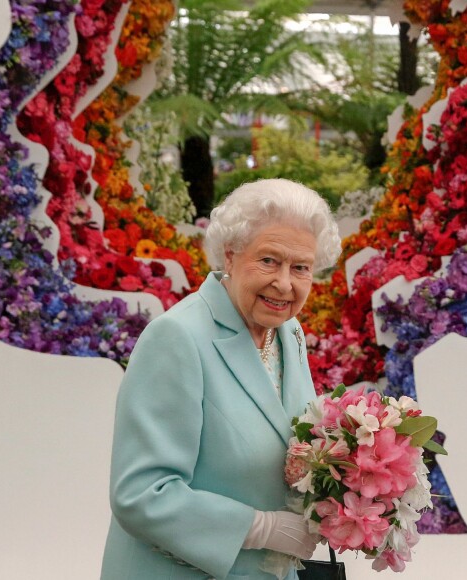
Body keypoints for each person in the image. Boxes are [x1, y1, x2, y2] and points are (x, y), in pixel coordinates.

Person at [100, 179, 342, 580]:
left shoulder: (289, 332)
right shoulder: (177, 338)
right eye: (268, 261)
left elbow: (294, 440)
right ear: (230, 256)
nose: (284, 283)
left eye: (300, 268)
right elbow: (140, 495)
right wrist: (259, 528)